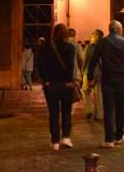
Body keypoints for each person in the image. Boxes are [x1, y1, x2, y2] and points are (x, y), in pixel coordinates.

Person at [87, 20, 124, 149]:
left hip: (107, 79)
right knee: (120, 108)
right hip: (122, 79)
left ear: (110, 29)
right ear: (119, 29)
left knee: (108, 110)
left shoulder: (102, 42)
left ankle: (109, 140)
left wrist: (90, 77)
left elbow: (93, 61)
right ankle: (119, 135)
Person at [39, 23, 75, 151]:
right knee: (66, 112)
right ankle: (66, 137)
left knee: (53, 113)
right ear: (65, 34)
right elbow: (70, 66)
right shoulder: (70, 47)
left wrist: (45, 80)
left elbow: (41, 65)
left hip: (51, 84)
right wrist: (69, 80)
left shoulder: (45, 47)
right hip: (65, 84)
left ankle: (55, 141)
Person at [83, 29, 104, 121]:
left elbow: (85, 61)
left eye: (93, 35)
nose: (91, 37)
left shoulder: (89, 47)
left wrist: (83, 71)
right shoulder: (105, 46)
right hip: (100, 74)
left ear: (96, 36)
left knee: (85, 91)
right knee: (98, 94)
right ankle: (99, 114)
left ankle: (88, 110)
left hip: (89, 73)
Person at [67, 28, 84, 112]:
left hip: (63, 74)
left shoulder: (62, 44)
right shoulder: (77, 45)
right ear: (75, 35)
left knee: (66, 93)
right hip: (75, 73)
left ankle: (65, 110)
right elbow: (81, 59)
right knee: (75, 92)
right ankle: (71, 111)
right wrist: (82, 71)